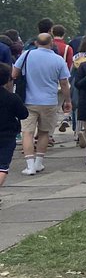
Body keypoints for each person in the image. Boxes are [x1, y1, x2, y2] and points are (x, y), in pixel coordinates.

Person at [13, 34, 71, 176]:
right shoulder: (58, 60)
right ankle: (39, 163)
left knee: (27, 133)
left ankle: (29, 165)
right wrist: (67, 101)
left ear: (35, 42)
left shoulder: (26, 55)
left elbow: (14, 73)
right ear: (51, 43)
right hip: (49, 101)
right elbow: (64, 83)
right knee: (44, 132)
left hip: (28, 100)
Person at [0, 64, 29, 193]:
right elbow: (23, 114)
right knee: (2, 166)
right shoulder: (12, 98)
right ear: (8, 80)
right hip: (7, 135)